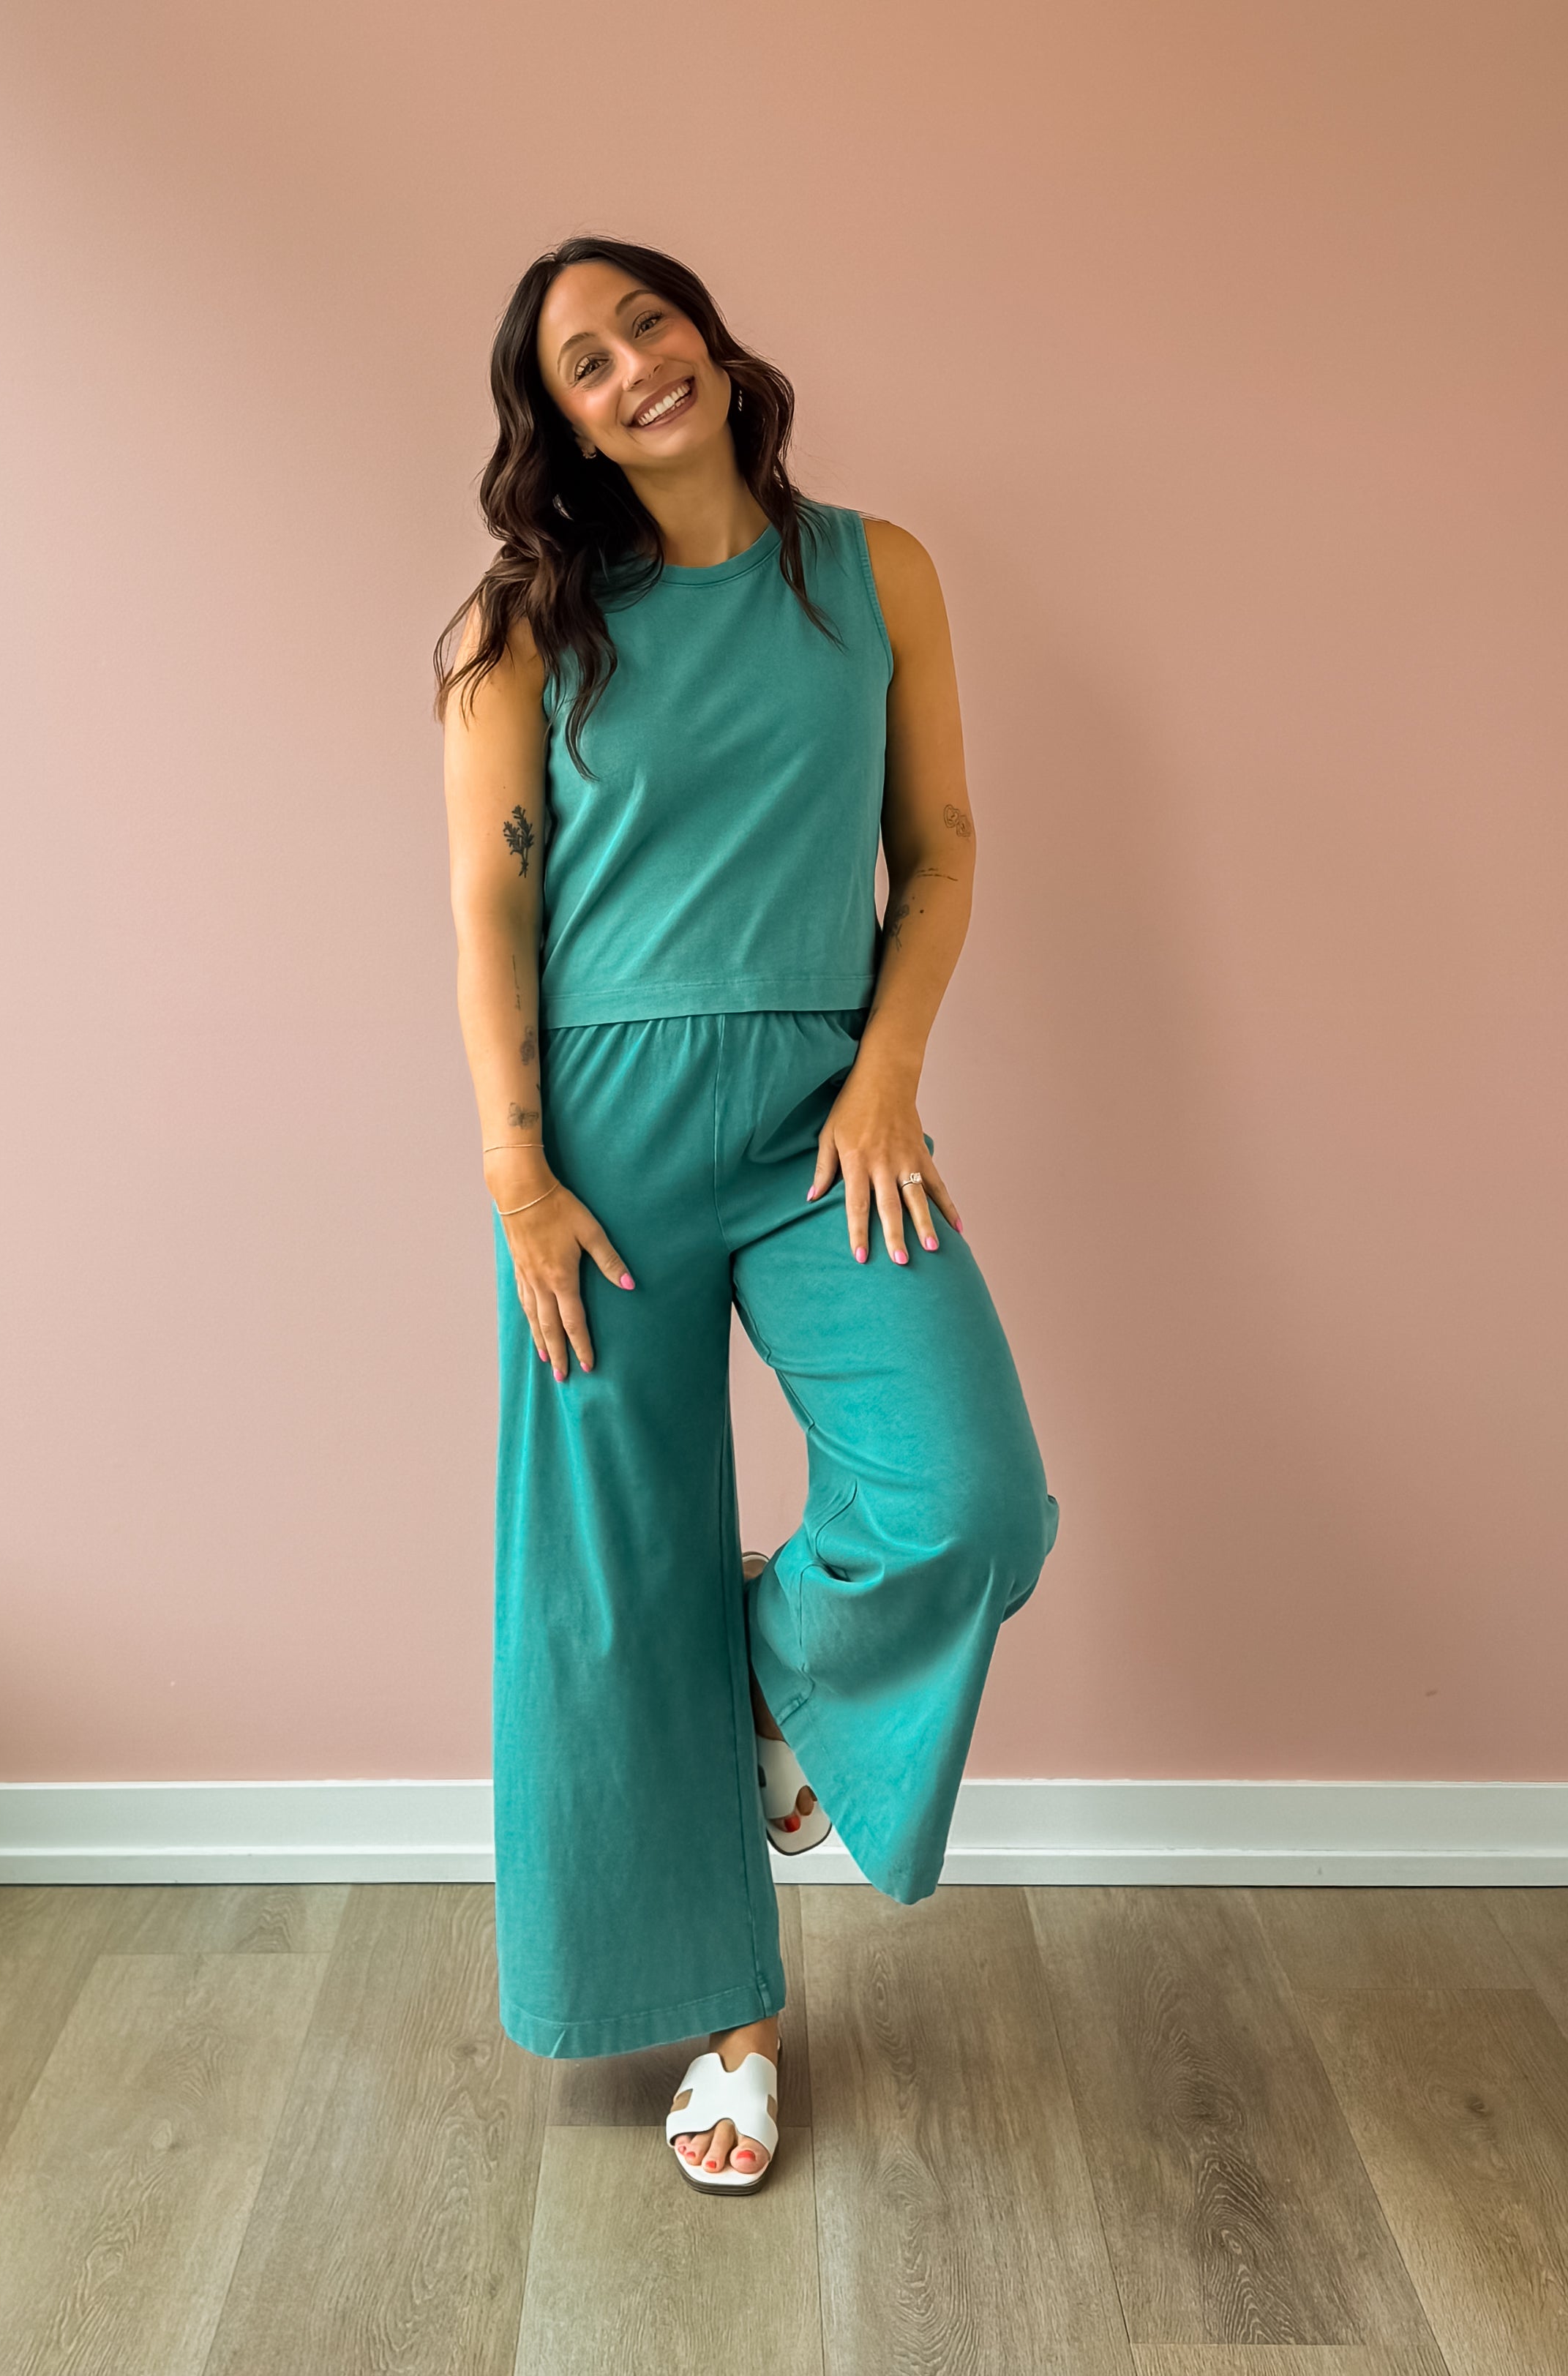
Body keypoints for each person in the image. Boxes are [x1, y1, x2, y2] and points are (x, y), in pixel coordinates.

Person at [437, 234, 1059, 2195]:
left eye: (649, 322)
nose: (634, 365)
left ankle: (775, 1681)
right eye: (584, 361)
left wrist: (886, 1075)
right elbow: (490, 907)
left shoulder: (873, 573)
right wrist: (517, 1173)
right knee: (608, 1577)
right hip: (600, 1140)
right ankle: (732, 2033)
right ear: (561, 423)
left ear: (708, 336)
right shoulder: (525, 625)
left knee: (970, 1496)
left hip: (822, 1110)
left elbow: (937, 848)